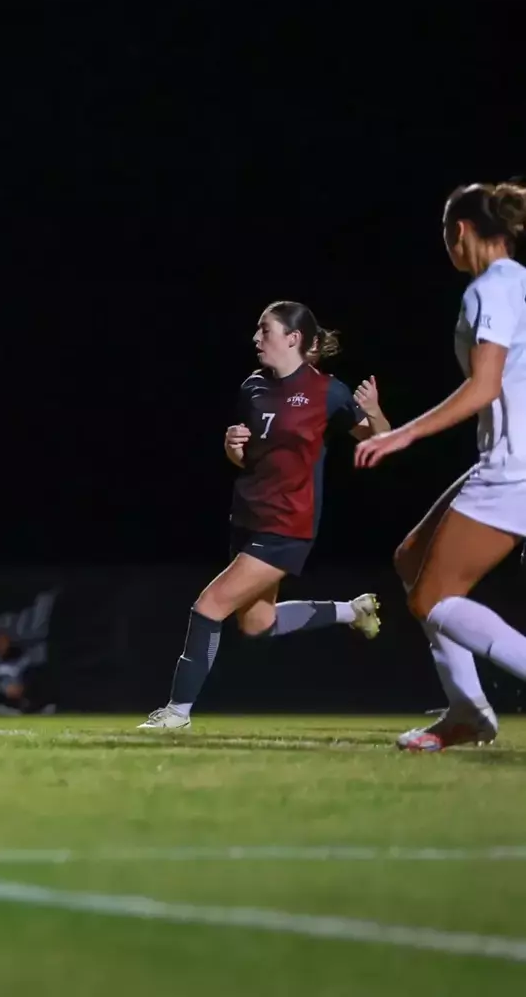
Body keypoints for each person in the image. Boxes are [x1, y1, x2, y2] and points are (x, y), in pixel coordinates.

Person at [140, 303, 390, 730]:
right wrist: (232, 447)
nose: (256, 339)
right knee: (258, 624)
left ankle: (177, 713)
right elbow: (249, 457)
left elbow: (381, 440)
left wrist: (376, 412)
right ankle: (353, 611)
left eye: (265, 330)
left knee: (208, 607)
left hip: (288, 524)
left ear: (293, 338)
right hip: (248, 518)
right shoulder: (252, 387)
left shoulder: (328, 391)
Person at [357, 181, 526, 751]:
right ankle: (466, 713)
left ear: (460, 232)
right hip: (509, 459)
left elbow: (483, 388)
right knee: (411, 558)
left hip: (513, 467)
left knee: (430, 599)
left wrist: (401, 434)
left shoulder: (490, 289)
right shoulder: (520, 283)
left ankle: (469, 713)